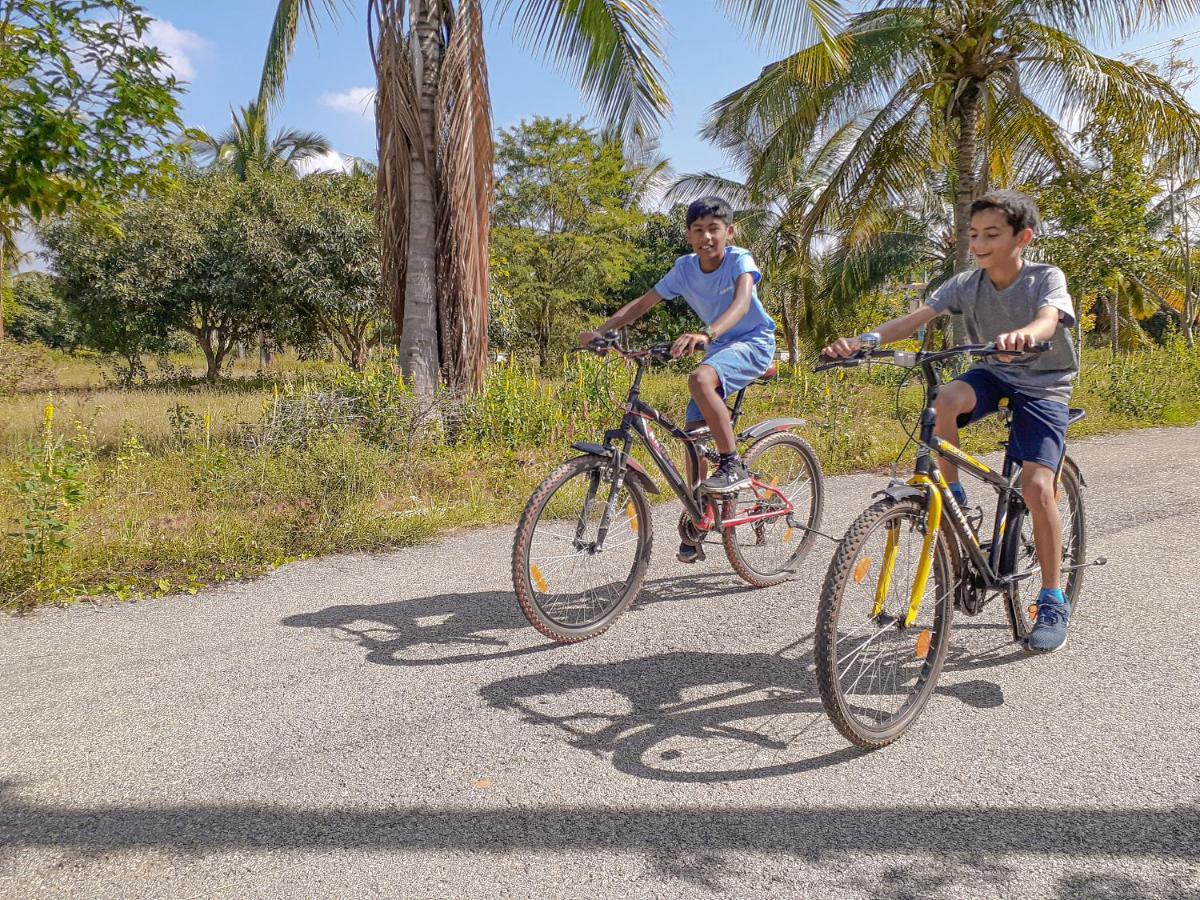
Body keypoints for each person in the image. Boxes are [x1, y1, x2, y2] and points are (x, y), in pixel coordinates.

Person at [822, 189, 1079, 653]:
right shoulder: (966, 284)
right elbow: (915, 318)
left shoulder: (1045, 277)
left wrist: (1026, 335)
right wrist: (863, 340)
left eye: (992, 234)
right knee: (946, 398)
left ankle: (1052, 596)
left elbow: (1048, 319)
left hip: (1043, 383)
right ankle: (953, 494)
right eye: (974, 234)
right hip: (993, 372)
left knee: (1038, 488)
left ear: (1023, 238)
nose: (979, 243)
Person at [579, 195, 777, 563]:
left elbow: (742, 303)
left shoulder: (739, 260)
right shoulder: (684, 268)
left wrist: (707, 333)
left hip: (752, 342)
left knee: (700, 379)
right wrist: (601, 331)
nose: (707, 237)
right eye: (698, 230)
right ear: (688, 235)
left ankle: (732, 463)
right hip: (719, 351)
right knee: (692, 436)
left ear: (728, 232)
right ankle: (701, 513)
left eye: (714, 229)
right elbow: (643, 303)